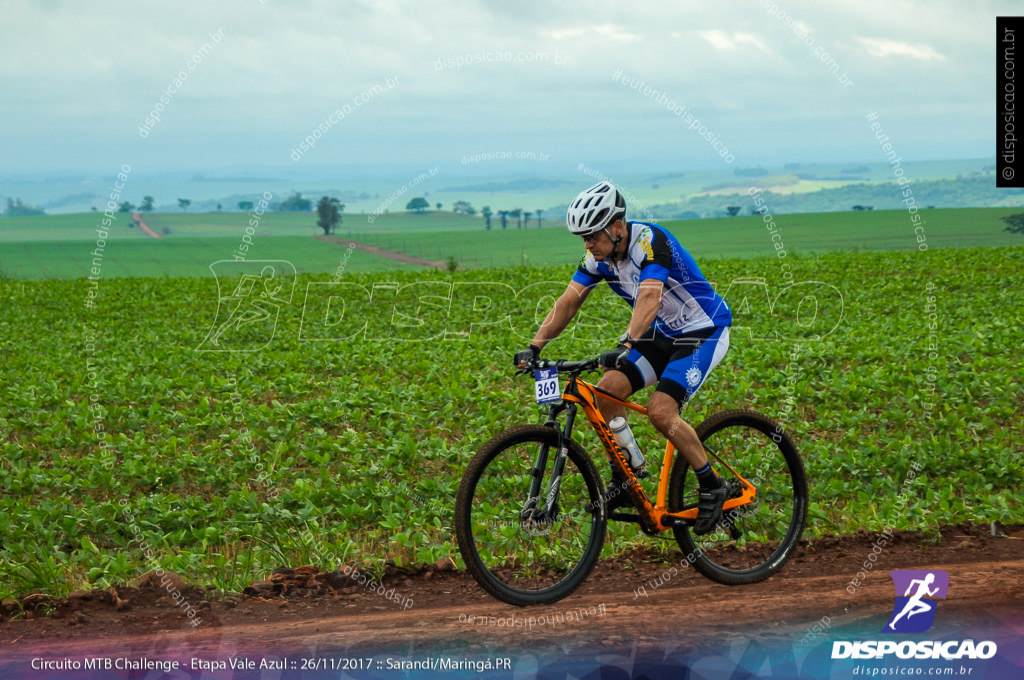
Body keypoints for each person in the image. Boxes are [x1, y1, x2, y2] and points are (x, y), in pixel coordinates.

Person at [514, 181, 734, 535]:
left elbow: (649, 296)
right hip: (663, 333)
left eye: (592, 235)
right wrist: (535, 346)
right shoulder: (598, 259)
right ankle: (626, 478)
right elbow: (569, 301)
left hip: (702, 329)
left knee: (662, 412)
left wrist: (629, 343)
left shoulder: (650, 242)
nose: (587, 244)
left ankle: (713, 484)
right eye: (582, 237)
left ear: (617, 227)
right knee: (604, 395)